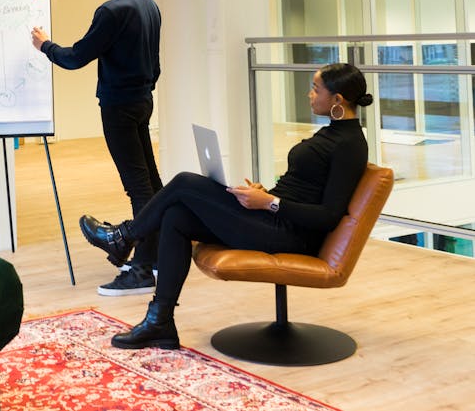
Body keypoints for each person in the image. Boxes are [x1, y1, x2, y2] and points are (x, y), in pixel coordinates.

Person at [79, 63, 374, 349]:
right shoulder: (332, 132)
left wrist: (270, 203)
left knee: (184, 182)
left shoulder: (350, 144)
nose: (309, 94)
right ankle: (160, 322)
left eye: (315, 89)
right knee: (176, 215)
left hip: (291, 234)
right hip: (272, 220)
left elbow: (328, 216)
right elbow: (304, 189)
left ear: (337, 99)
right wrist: (263, 194)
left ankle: (124, 237)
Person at [31, 0, 162, 296]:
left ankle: (141, 270)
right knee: (149, 181)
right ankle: (154, 256)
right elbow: (156, 65)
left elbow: (75, 57)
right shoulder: (149, 4)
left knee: (139, 186)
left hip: (119, 107)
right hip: (142, 101)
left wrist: (46, 46)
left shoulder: (113, 10)